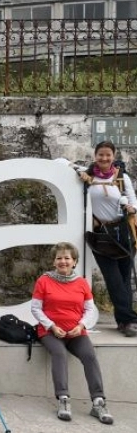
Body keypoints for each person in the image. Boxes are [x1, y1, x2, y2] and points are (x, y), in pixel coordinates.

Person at [31, 242, 113, 424]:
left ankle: (98, 402)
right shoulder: (43, 281)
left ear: (74, 262)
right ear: (54, 262)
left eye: (67, 258)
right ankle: (63, 399)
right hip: (50, 331)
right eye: (59, 258)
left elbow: (90, 309)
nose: (63, 261)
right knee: (59, 353)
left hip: (76, 332)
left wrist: (81, 325)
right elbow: (36, 309)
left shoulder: (82, 283)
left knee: (90, 356)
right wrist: (51, 326)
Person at [76, 140, 137, 337]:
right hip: (102, 234)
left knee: (125, 278)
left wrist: (131, 208)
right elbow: (63, 163)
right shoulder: (87, 176)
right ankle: (129, 320)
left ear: (113, 156)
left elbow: (133, 199)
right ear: (95, 156)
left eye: (108, 155)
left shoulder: (121, 177)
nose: (104, 158)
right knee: (113, 279)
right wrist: (78, 172)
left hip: (123, 231)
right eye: (100, 154)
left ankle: (123, 321)